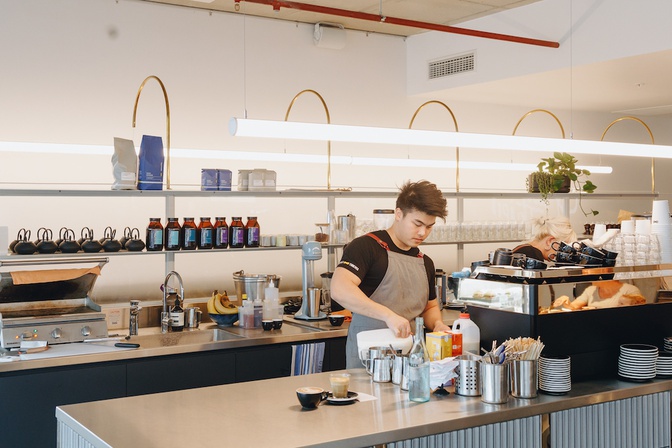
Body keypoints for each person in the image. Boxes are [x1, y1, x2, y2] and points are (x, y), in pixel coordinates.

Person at [331, 180, 451, 369]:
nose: (422, 233)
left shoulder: (424, 262)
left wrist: (437, 324)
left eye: (429, 226)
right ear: (398, 214)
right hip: (369, 359)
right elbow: (339, 289)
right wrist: (388, 316)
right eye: (417, 223)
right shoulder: (366, 247)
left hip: (411, 360)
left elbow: (430, 307)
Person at [512, 216, 577, 261]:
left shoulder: (524, 249)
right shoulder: (534, 255)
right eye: (562, 248)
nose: (562, 254)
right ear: (549, 241)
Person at [553, 280, 646, 310]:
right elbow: (573, 306)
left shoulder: (630, 290)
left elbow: (636, 314)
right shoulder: (591, 290)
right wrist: (566, 301)